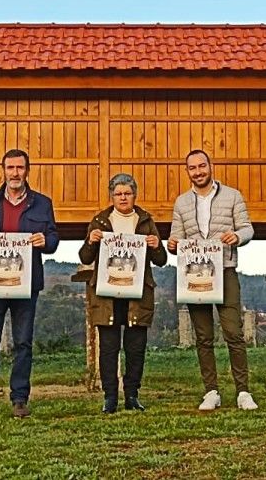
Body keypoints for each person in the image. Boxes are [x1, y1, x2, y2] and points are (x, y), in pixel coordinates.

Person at [0, 149, 60, 419]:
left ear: (27, 170)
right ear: (3, 170)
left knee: (23, 343)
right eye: (10, 168)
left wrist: (47, 241)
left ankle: (20, 398)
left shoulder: (42, 203)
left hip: (27, 283)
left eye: (20, 168)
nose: (15, 173)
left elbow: (53, 238)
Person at [167, 149, 258, 411]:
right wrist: (173, 245)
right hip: (193, 272)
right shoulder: (181, 202)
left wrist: (237, 237)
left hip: (225, 269)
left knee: (233, 333)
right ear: (188, 172)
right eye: (192, 168)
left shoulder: (232, 195)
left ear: (210, 166)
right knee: (203, 336)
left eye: (202, 166)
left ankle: (243, 391)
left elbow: (247, 228)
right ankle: (211, 391)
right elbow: (176, 237)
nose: (198, 172)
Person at [79, 173, 168, 414]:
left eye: (127, 193)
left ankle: (132, 395)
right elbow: (85, 258)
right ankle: (110, 397)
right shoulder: (100, 220)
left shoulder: (146, 220)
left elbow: (161, 261)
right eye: (118, 194)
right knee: (108, 347)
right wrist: (90, 241)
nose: (123, 197)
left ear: (134, 194)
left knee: (136, 346)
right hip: (107, 295)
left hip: (137, 294)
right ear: (112, 196)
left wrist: (156, 245)